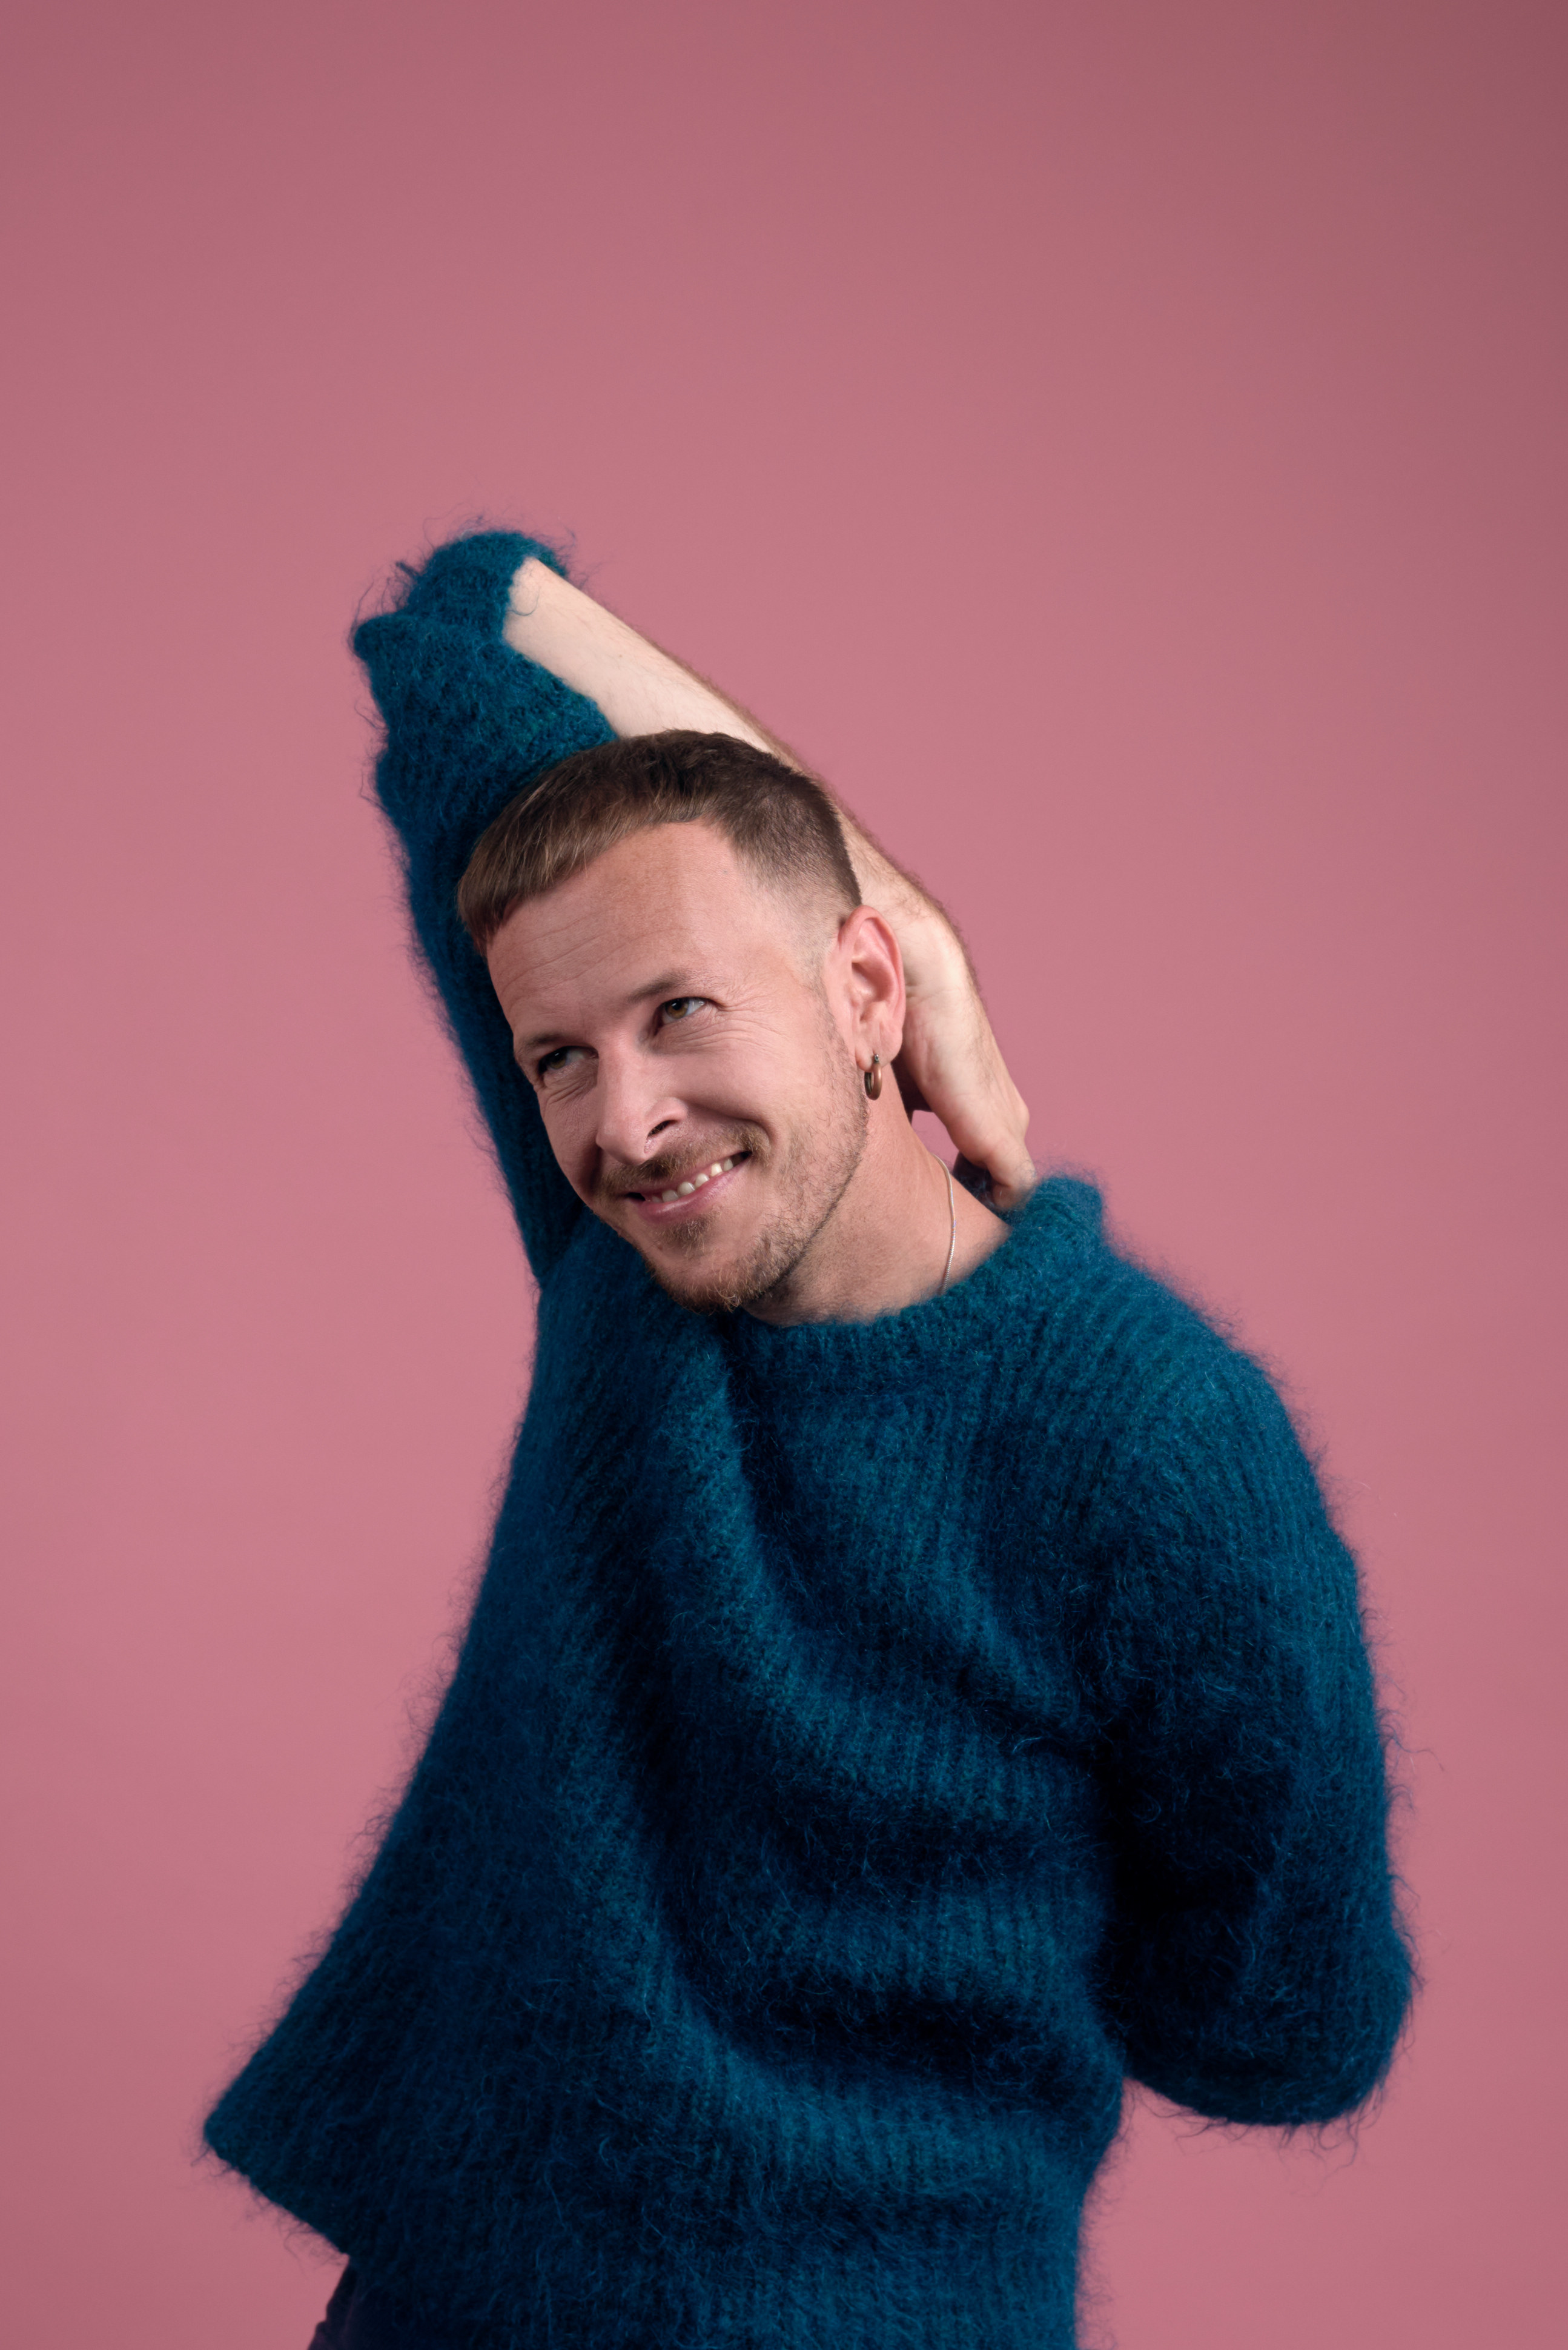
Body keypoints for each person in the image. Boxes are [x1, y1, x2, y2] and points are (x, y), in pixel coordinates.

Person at [203, 526, 1412, 2350]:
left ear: (861, 996)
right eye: (560, 1058)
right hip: (448, 2310)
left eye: (683, 1012)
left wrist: (898, 923)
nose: (628, 1122)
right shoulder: (631, 1283)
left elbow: (1290, 2030)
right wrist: (910, 919)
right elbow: (471, 615)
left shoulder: (1157, 1441)